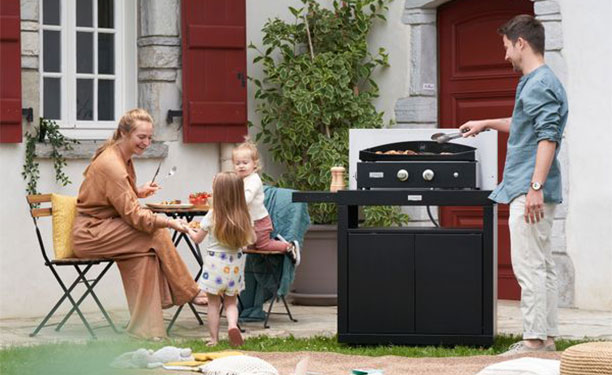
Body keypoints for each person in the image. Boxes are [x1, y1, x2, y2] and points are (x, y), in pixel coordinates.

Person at [459, 15, 568, 355]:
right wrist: (486, 122)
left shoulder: (538, 83)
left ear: (521, 43)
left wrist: (534, 187)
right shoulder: (539, 81)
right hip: (532, 186)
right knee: (543, 264)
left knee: (529, 266)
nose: (505, 55)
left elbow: (548, 136)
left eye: (506, 47)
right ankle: (546, 338)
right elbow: (526, 125)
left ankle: (533, 341)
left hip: (530, 187)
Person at [72, 108, 208, 340]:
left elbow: (114, 197)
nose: (146, 142)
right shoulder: (113, 165)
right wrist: (170, 223)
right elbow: (134, 216)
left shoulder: (120, 157)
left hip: (107, 228)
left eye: (149, 137)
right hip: (91, 234)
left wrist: (137, 191)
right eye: (141, 137)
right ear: (124, 134)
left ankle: (148, 331)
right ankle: (188, 290)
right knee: (155, 233)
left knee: (144, 256)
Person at [185, 172, 254, 347]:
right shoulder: (244, 216)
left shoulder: (212, 215)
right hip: (235, 266)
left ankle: (214, 339)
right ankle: (232, 325)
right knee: (231, 302)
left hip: (215, 265)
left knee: (214, 304)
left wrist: (187, 229)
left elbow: (197, 239)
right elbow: (250, 241)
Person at [232, 140, 300, 265]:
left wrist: (232, 201)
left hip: (259, 222)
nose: (241, 166)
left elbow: (247, 198)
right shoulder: (240, 180)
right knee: (249, 247)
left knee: (263, 246)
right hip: (249, 222)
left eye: (245, 163)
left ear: (255, 164)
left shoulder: (253, 180)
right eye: (237, 163)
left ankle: (288, 246)